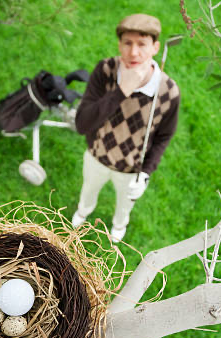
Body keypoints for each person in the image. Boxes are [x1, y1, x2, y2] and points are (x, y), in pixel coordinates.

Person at [71, 13, 180, 242]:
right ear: (119, 44)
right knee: (88, 189)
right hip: (97, 156)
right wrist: (121, 91)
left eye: (142, 44)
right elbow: (82, 124)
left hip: (131, 169)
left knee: (124, 204)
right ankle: (83, 211)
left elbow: (164, 136)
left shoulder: (168, 92)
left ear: (155, 47)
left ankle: (119, 225)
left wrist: (146, 172)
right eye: (127, 43)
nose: (133, 52)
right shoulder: (105, 71)